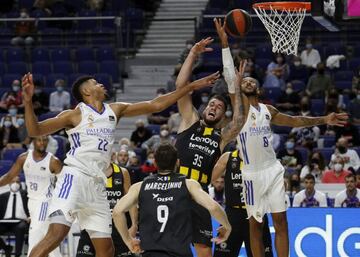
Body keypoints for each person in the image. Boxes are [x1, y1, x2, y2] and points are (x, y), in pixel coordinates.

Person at [21, 71, 219, 257]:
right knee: (57, 233)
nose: (100, 84)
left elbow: (156, 105)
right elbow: (35, 130)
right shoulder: (74, 115)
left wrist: (191, 86)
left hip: (98, 185)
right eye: (95, 83)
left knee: (106, 250)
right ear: (87, 91)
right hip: (75, 177)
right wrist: (28, 101)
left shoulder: (114, 110)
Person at [221, 22, 348, 257]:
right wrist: (225, 45)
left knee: (280, 221)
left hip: (272, 169)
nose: (248, 81)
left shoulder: (268, 110)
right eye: (244, 81)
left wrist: (325, 119)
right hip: (250, 173)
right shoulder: (239, 110)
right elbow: (230, 77)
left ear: (258, 90)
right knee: (255, 226)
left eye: (252, 81)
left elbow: (297, 120)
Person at [175, 26, 245, 257]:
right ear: (205, 108)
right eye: (211, 104)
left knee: (204, 249)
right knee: (171, 247)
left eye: (219, 107)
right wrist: (193, 54)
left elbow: (241, 118)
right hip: (175, 188)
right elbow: (180, 88)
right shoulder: (190, 121)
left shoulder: (222, 136)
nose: (214, 107)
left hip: (201, 193)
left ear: (222, 116)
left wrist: (236, 87)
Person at [112, 143, 232, 256]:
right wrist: (227, 226)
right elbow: (213, 207)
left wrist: (128, 240)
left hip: (150, 252)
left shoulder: (139, 186)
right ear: (178, 162)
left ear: (155, 163)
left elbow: (117, 212)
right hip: (180, 252)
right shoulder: (189, 184)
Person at [0, 136, 62, 257]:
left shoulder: (53, 161)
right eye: (39, 140)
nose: (42, 143)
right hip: (32, 203)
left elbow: (64, 184)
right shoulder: (23, 158)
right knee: (48, 238)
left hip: (45, 202)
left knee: (35, 235)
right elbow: (9, 176)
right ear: (33, 141)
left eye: (45, 140)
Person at [212, 149, 273, 257]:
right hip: (233, 214)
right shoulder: (228, 157)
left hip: (256, 212)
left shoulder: (263, 159)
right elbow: (209, 178)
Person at [76, 162, 137, 257]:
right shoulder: (87, 172)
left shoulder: (122, 172)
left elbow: (132, 201)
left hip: (118, 228)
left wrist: (134, 225)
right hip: (92, 226)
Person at [0, 177, 30, 257]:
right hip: (5, 222)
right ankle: (6, 248)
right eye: (13, 181)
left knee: (21, 227)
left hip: (21, 222)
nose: (15, 183)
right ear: (9, 183)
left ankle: (17, 255)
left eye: (17, 182)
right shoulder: (2, 196)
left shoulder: (26, 195)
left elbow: (32, 207)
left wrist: (30, 217)